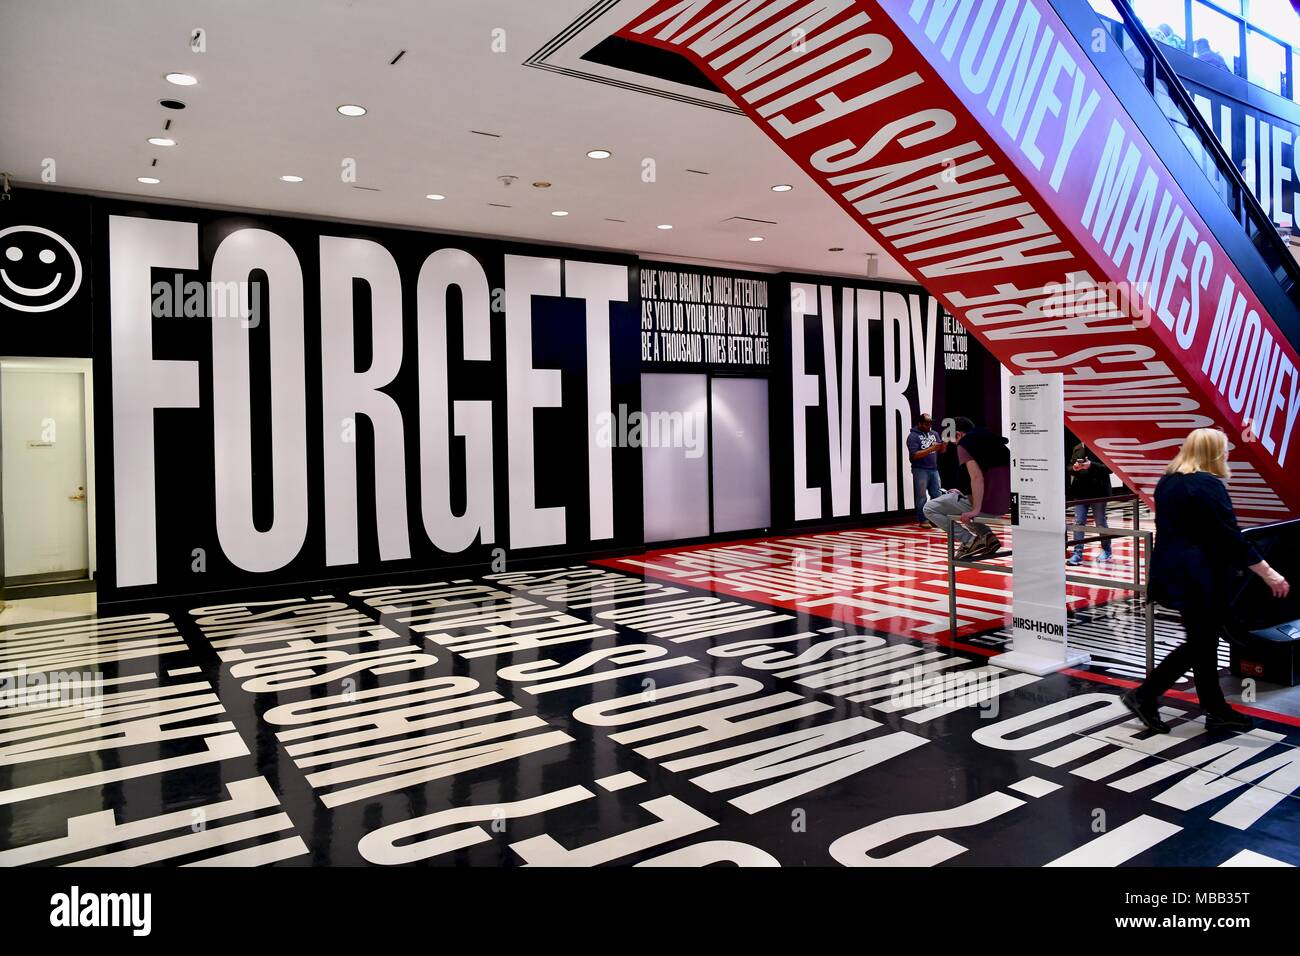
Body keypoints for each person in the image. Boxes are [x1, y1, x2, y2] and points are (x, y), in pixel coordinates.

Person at [1123, 429, 1290, 735]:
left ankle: (1214, 709)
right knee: (1201, 642)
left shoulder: (1169, 480)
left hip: (1175, 573)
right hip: (1199, 577)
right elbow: (1227, 536)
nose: (1227, 454)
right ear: (1213, 453)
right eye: (1224, 449)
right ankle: (1144, 695)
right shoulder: (1206, 485)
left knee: (1204, 641)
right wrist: (1268, 572)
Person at [923, 416, 1010, 560]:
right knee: (961, 503)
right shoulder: (993, 440)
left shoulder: (965, 443)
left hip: (986, 507)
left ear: (958, 434)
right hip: (1003, 505)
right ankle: (988, 537)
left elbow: (977, 478)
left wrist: (975, 510)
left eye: (954, 440)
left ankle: (969, 541)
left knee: (930, 508)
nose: (955, 444)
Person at [1067, 442, 1113, 566]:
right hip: (1081, 492)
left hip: (1099, 492)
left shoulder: (1103, 446)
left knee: (1100, 522)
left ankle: (1107, 550)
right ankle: (1077, 554)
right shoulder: (1077, 447)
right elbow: (1069, 467)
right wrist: (1075, 468)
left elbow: (1110, 468)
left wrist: (1091, 465)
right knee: (1079, 522)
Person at [907, 413, 947, 527]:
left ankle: (936, 519)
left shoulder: (934, 434)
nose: (929, 425)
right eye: (926, 423)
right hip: (920, 470)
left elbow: (941, 451)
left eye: (930, 423)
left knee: (937, 495)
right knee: (921, 496)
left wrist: (943, 446)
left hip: (934, 469)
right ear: (919, 423)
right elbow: (914, 455)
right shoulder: (913, 436)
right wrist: (931, 449)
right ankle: (923, 519)